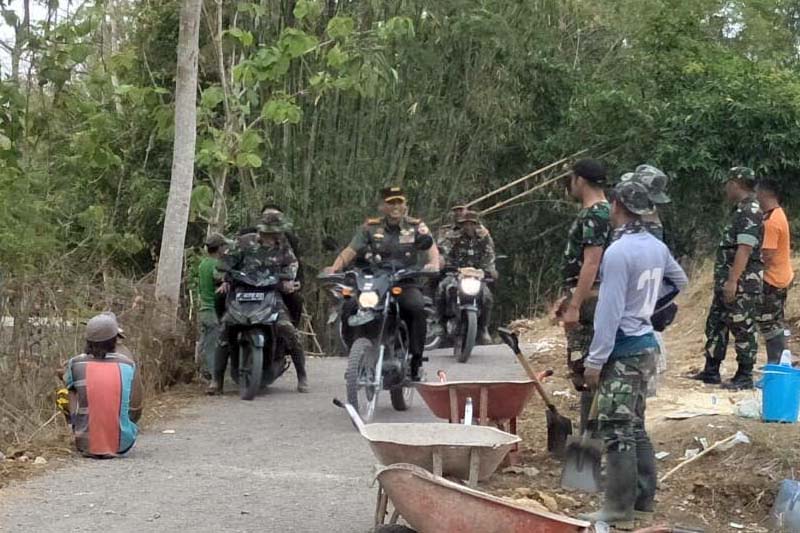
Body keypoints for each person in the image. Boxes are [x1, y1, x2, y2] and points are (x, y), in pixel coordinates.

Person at [579, 180, 688, 527]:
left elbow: (608, 313)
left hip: (623, 349)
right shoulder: (655, 246)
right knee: (635, 427)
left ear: (617, 206)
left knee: (617, 431)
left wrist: (595, 360)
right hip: (645, 345)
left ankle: (618, 510)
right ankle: (643, 501)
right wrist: (648, 307)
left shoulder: (619, 252)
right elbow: (680, 281)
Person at [325, 186, 439, 381]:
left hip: (405, 281)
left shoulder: (415, 226)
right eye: (390, 203)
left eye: (399, 202)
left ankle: (415, 361)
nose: (395, 206)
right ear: (382, 206)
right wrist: (334, 268)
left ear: (405, 205)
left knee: (416, 307)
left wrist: (433, 264)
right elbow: (351, 249)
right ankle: (355, 357)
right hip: (376, 281)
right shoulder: (370, 227)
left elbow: (431, 248)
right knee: (351, 306)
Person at [215, 221, 309, 393]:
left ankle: (302, 375)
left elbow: (292, 265)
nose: (271, 237)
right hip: (241, 293)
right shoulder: (243, 242)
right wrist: (224, 279)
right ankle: (216, 381)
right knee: (225, 329)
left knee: (287, 329)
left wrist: (288, 280)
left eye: (274, 234)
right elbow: (226, 262)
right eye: (267, 233)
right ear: (260, 231)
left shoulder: (283, 245)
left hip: (271, 294)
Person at [692, 167, 763, 389]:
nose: (725, 187)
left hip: (741, 283)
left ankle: (744, 375)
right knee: (716, 324)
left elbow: (744, 248)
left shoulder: (750, 211)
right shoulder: (739, 210)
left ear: (736, 183)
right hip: (727, 281)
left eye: (728, 182)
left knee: (742, 327)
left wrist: (733, 281)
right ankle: (711, 370)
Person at [557, 158, 612, 431]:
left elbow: (592, 261)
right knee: (585, 367)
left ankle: (591, 438)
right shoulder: (604, 212)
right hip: (586, 294)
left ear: (580, 180)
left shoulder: (595, 215)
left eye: (571, 178)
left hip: (591, 300)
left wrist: (575, 304)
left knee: (587, 368)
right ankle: (589, 435)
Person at [63, 313, 144, 458]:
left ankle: (76, 428)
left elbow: (73, 393)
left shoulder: (75, 363)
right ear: (115, 340)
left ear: (88, 341)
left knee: (65, 393)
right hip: (123, 443)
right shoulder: (128, 364)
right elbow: (133, 403)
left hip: (84, 444)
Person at [439, 210, 497, 344]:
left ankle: (483, 328)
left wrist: (489, 269)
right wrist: (445, 264)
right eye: (466, 224)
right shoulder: (452, 236)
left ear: (477, 224)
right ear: (462, 224)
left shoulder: (484, 237)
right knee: (443, 288)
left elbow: (489, 255)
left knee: (487, 296)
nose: (469, 227)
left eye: (472, 224)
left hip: (477, 275)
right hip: (456, 273)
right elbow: (445, 252)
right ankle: (440, 324)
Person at [754, 178, 793, 362]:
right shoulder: (778, 215)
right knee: (775, 322)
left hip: (772, 280)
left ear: (764, 194)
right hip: (781, 277)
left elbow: (766, 255)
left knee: (769, 324)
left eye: (757, 193)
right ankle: (781, 363)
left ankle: (776, 364)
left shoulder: (771, 222)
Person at [262, 203, 305, 326]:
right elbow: (230, 259)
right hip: (249, 286)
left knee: (296, 301)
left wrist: (296, 282)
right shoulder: (246, 237)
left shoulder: (287, 241)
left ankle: (292, 334)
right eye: (267, 217)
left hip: (277, 285)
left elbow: (295, 263)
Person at [197, 233, 228, 384]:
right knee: (212, 348)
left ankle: (203, 374)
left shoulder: (203, 264)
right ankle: (214, 379)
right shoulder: (217, 265)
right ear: (220, 248)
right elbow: (220, 280)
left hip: (203, 309)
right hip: (213, 311)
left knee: (204, 343)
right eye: (224, 246)